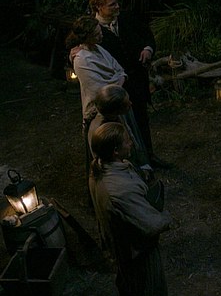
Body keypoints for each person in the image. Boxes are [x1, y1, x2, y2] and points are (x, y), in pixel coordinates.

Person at [89, 0, 170, 169]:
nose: (117, 7)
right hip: (115, 88)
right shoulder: (93, 30)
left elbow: (147, 35)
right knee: (120, 126)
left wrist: (147, 49)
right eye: (112, 4)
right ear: (99, 7)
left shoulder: (127, 18)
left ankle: (149, 156)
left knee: (141, 119)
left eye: (117, 3)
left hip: (137, 81)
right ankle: (128, 164)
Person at [89, 122, 172, 296]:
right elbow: (151, 225)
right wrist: (165, 217)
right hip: (137, 253)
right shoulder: (121, 190)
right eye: (127, 141)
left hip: (123, 249)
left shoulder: (99, 168)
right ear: (115, 151)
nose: (131, 143)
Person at [66, 16, 127, 150]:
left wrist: (119, 79)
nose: (101, 36)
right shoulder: (82, 59)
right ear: (87, 37)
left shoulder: (99, 49)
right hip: (101, 111)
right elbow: (98, 91)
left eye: (100, 32)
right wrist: (117, 82)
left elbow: (119, 69)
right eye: (96, 34)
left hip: (117, 102)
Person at [89, 84, 151, 178]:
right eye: (126, 104)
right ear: (115, 110)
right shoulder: (103, 132)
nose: (131, 104)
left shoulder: (115, 116)